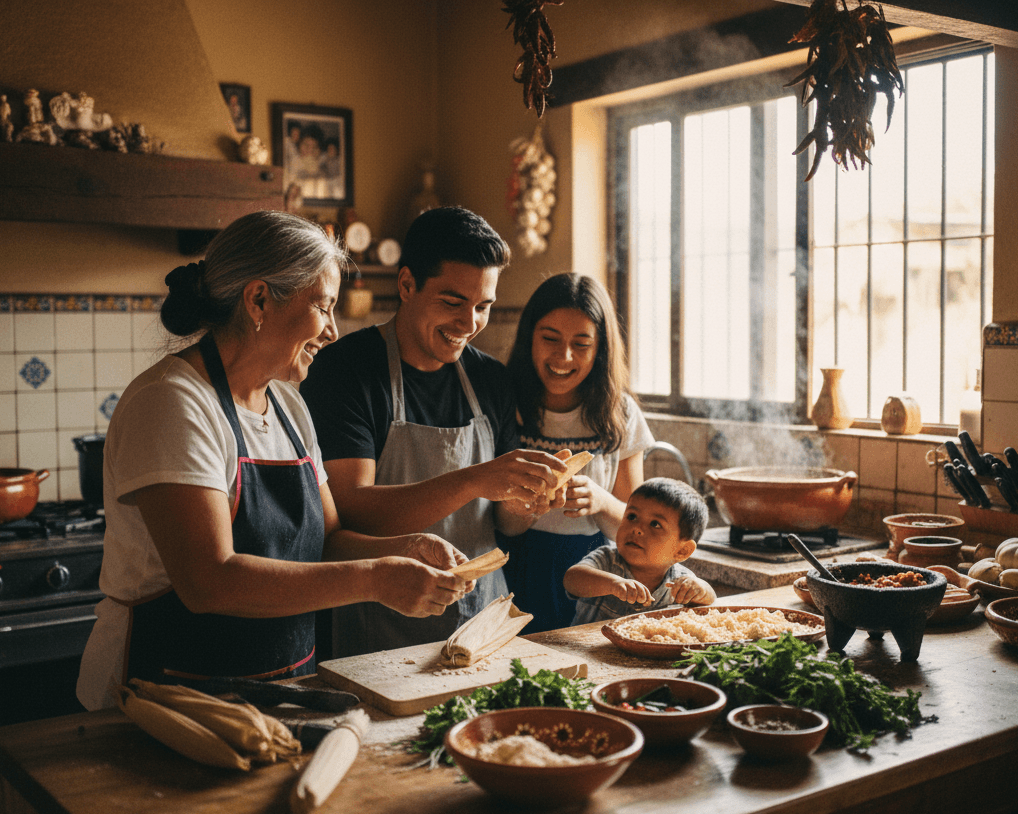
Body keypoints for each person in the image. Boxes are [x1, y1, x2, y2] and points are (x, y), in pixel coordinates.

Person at [76, 211, 473, 710]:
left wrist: (409, 549)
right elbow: (208, 582)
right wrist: (376, 578)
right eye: (323, 307)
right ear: (259, 300)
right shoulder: (172, 402)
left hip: (282, 693)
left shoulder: (287, 406)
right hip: (166, 699)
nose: (332, 331)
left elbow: (328, 540)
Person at [302, 205, 569, 658]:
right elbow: (351, 512)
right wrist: (474, 480)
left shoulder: (491, 379)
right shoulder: (345, 371)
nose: (469, 324)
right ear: (407, 285)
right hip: (378, 630)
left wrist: (528, 503)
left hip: (481, 624)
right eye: (452, 302)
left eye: (483, 307)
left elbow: (504, 522)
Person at [497, 272, 654, 633]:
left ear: (600, 349)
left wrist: (599, 500)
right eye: (550, 338)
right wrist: (527, 504)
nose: (563, 356)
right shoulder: (506, 403)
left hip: (594, 575)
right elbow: (500, 523)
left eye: (581, 344)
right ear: (529, 337)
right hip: (515, 569)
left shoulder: (620, 413)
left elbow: (634, 527)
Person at [563, 477, 714, 626]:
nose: (637, 528)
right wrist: (613, 584)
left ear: (682, 551)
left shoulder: (681, 581)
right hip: (587, 642)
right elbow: (571, 580)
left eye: (655, 524)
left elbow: (709, 600)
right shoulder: (607, 559)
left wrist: (702, 590)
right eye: (632, 516)